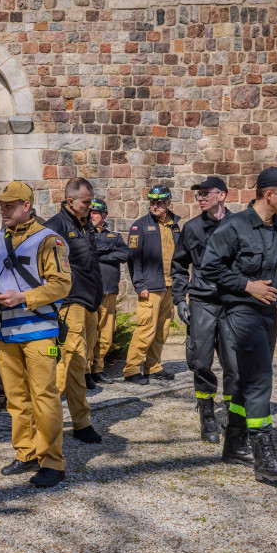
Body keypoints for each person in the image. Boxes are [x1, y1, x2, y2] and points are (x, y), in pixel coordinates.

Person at [0, 181, 72, 488]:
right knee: (16, 399)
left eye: (9, 205)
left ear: (26, 206)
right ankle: (26, 452)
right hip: (3, 331)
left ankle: (52, 462)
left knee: (44, 397)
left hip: (38, 330)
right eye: (1, 205)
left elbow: (61, 284)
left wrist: (24, 297)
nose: (3, 210)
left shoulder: (49, 241)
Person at [202, 166, 277, 481]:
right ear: (269, 193)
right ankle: (264, 456)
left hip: (268, 313)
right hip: (240, 311)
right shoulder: (234, 226)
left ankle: (234, 445)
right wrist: (247, 285)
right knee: (260, 377)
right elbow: (209, 268)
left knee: (247, 380)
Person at [170, 176, 239, 444]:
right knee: (200, 362)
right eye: (198, 194)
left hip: (232, 302)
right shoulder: (191, 228)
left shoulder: (239, 224)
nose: (200, 197)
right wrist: (179, 299)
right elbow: (179, 266)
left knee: (234, 364)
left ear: (222, 195)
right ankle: (207, 414)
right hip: (201, 301)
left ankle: (233, 415)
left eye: (206, 193)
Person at [44, 177, 103, 443]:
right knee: (72, 364)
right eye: (86, 202)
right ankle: (72, 423)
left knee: (78, 365)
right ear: (70, 201)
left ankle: (65, 420)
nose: (91, 207)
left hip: (90, 303)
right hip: (71, 304)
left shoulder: (84, 224)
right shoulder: (54, 228)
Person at [123, 184, 181, 384]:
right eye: (152, 202)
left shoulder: (175, 225)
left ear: (168, 202)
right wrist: (140, 285)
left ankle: (153, 366)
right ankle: (131, 369)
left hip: (169, 286)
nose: (155, 206)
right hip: (150, 287)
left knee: (162, 329)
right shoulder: (139, 226)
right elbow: (133, 258)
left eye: (159, 202)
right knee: (145, 329)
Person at [88, 198, 128, 383]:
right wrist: (109, 250)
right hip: (89, 292)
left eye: (95, 213)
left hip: (109, 291)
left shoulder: (114, 236)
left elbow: (125, 253)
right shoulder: (83, 234)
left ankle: (97, 369)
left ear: (104, 215)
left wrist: (102, 255)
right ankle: (85, 371)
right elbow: (90, 251)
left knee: (106, 334)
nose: (92, 215)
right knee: (89, 333)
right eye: (90, 212)